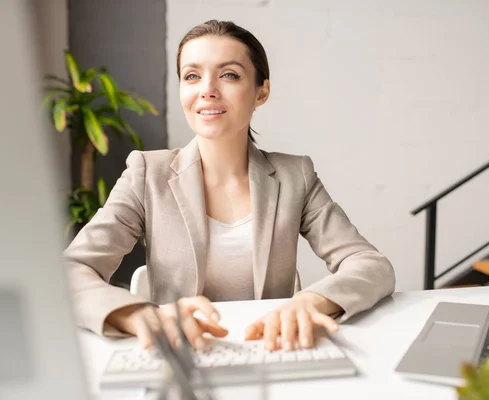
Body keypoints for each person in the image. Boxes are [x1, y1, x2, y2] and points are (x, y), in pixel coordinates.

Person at [65, 20, 395, 352]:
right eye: (192, 76)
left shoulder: (295, 176)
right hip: (181, 355)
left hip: (272, 349)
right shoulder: (148, 173)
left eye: (229, 75)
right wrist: (137, 314)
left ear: (261, 92)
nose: (207, 89)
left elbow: (370, 264)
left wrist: (312, 300)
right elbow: (71, 271)